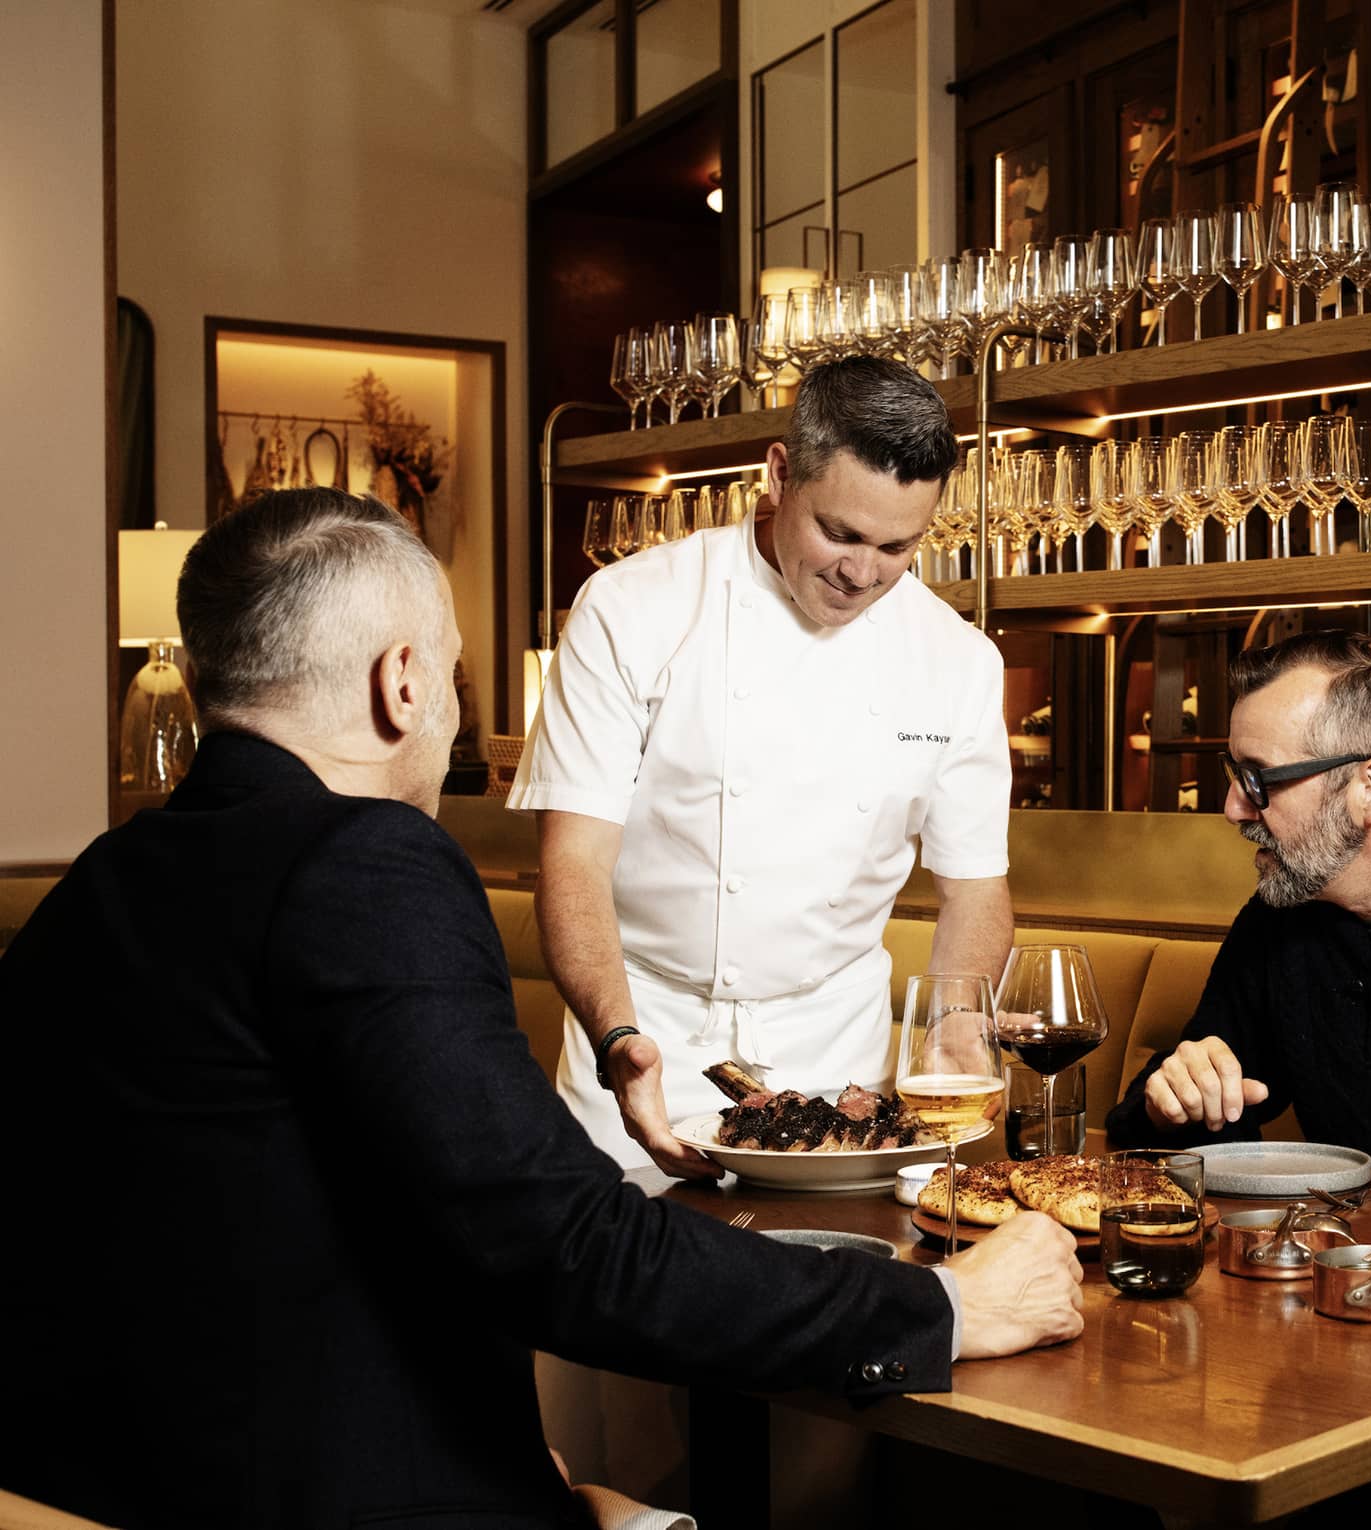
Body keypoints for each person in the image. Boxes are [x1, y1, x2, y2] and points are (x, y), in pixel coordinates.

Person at [0, 489, 1083, 1530]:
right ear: (404, 684)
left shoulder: (101, 883)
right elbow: (567, 1249)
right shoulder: (367, 864)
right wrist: (946, 1310)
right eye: (455, 673)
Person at [509, 357, 1014, 1176]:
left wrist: (957, 1021)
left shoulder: (957, 660)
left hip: (840, 1059)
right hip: (647, 1039)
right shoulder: (633, 609)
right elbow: (573, 862)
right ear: (779, 474)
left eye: (897, 546)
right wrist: (617, 1037)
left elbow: (975, 888)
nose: (862, 573)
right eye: (840, 533)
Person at [1107, 629, 1371, 1188]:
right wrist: (1173, 1100)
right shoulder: (1280, 917)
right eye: (1234, 774)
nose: (1234, 808)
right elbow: (1184, 1122)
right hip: (1334, 1240)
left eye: (1258, 778)